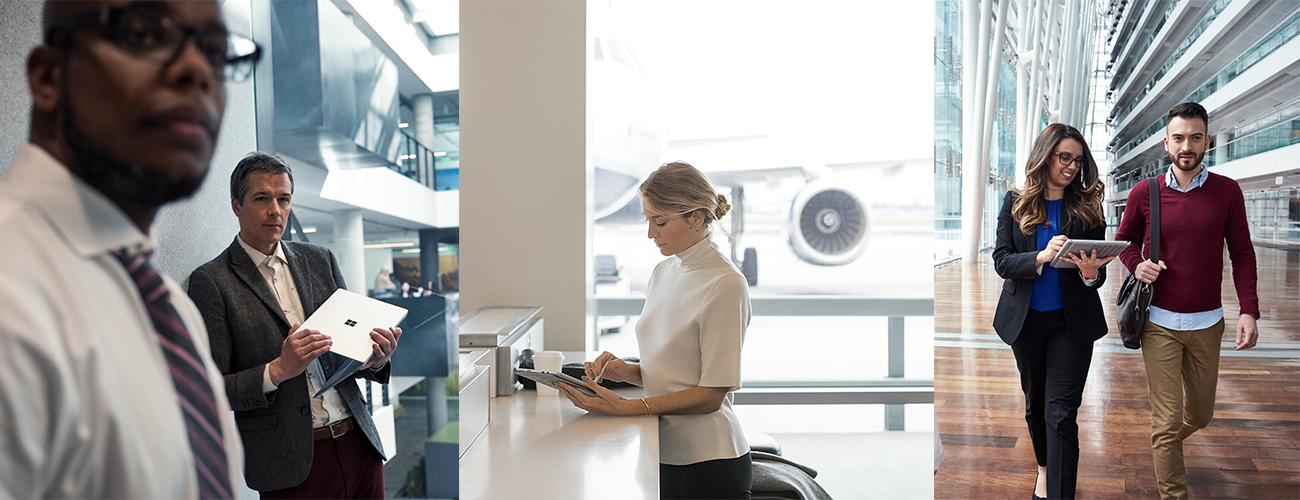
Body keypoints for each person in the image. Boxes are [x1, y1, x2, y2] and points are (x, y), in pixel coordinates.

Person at [0, 1, 258, 496]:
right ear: (49, 76)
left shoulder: (164, 305)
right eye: (144, 33)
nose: (196, 70)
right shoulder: (14, 298)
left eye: (218, 53)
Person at [187, 152, 402, 499]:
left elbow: (349, 348)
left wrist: (375, 358)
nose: (276, 210)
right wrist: (278, 370)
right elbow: (210, 389)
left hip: (359, 444)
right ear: (236, 205)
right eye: (262, 198)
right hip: (290, 467)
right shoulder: (211, 282)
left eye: (283, 199)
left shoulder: (321, 260)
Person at [556, 161, 753, 500]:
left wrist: (625, 407)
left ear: (696, 217)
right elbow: (678, 374)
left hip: (709, 463)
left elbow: (710, 395)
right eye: (648, 220)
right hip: (660, 451)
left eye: (660, 221)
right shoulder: (664, 271)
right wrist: (626, 370)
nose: (651, 233)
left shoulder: (726, 284)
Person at [1114, 102, 1259, 500]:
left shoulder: (1227, 191)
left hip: (1207, 324)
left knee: (1200, 414)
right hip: (1158, 321)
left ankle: (1166, 446)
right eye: (1178, 137)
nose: (1187, 145)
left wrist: (1249, 309)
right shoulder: (1146, 193)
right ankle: (1172, 484)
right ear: (1166, 142)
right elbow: (1124, 242)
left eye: (1196, 137)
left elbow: (1243, 252)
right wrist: (1136, 264)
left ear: (1207, 140)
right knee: (1165, 422)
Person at [991, 124, 1112, 500]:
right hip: (1025, 323)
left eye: (1078, 160)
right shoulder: (1015, 201)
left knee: (1060, 413)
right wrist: (1041, 257)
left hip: (1070, 324)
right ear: (1045, 155)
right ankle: (1044, 468)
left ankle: (1058, 491)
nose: (1073, 166)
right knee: (1035, 405)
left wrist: (1092, 272)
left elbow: (1099, 273)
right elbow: (1002, 260)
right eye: (1065, 158)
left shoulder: (1088, 207)